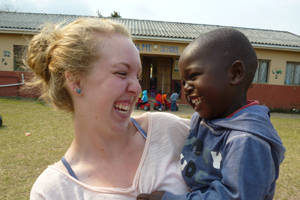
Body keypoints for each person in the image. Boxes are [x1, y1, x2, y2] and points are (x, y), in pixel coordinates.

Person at [27, 18, 191, 199]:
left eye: (137, 76)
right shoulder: (53, 191)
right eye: (122, 73)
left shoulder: (170, 131)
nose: (137, 88)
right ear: (76, 81)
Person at [137, 28, 286, 200]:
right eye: (184, 81)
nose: (185, 87)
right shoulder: (202, 120)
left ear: (235, 73)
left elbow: (234, 197)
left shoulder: (246, 140)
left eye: (194, 76)